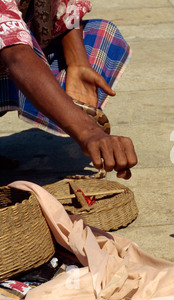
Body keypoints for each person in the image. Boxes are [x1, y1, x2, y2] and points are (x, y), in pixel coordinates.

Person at [0, 0, 137, 179]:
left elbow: (68, 7)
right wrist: (88, 131)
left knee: (101, 33)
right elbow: (15, 55)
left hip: (17, 53)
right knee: (16, 58)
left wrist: (78, 63)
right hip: (13, 57)